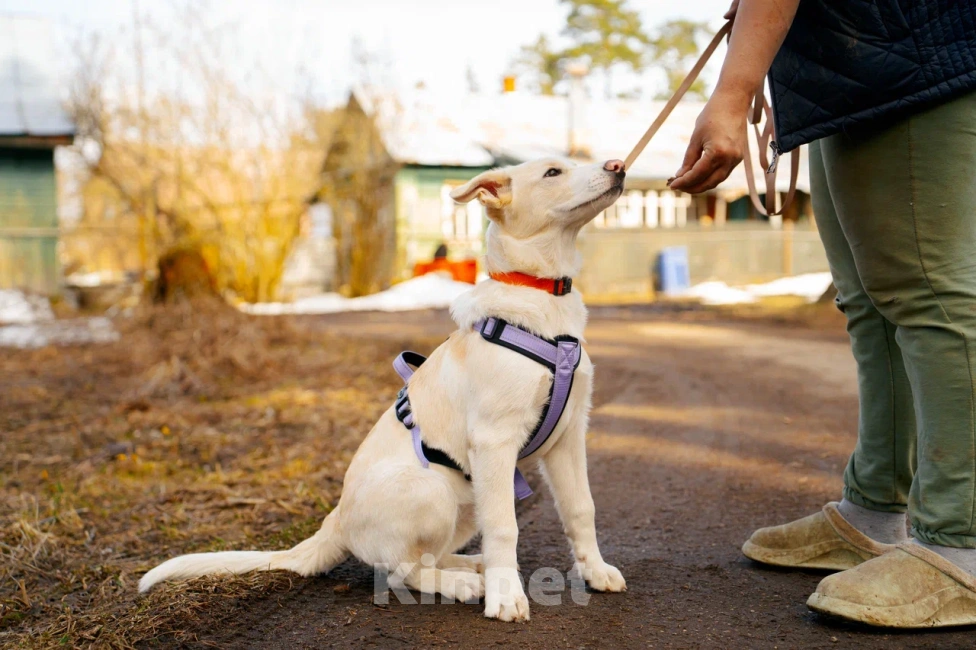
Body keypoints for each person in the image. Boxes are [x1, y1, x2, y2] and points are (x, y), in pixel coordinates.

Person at [670, 0, 976, 628]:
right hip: (858, 65)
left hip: (910, 51)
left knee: (932, 298)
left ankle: (961, 544)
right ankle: (874, 511)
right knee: (870, 300)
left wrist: (733, 91)